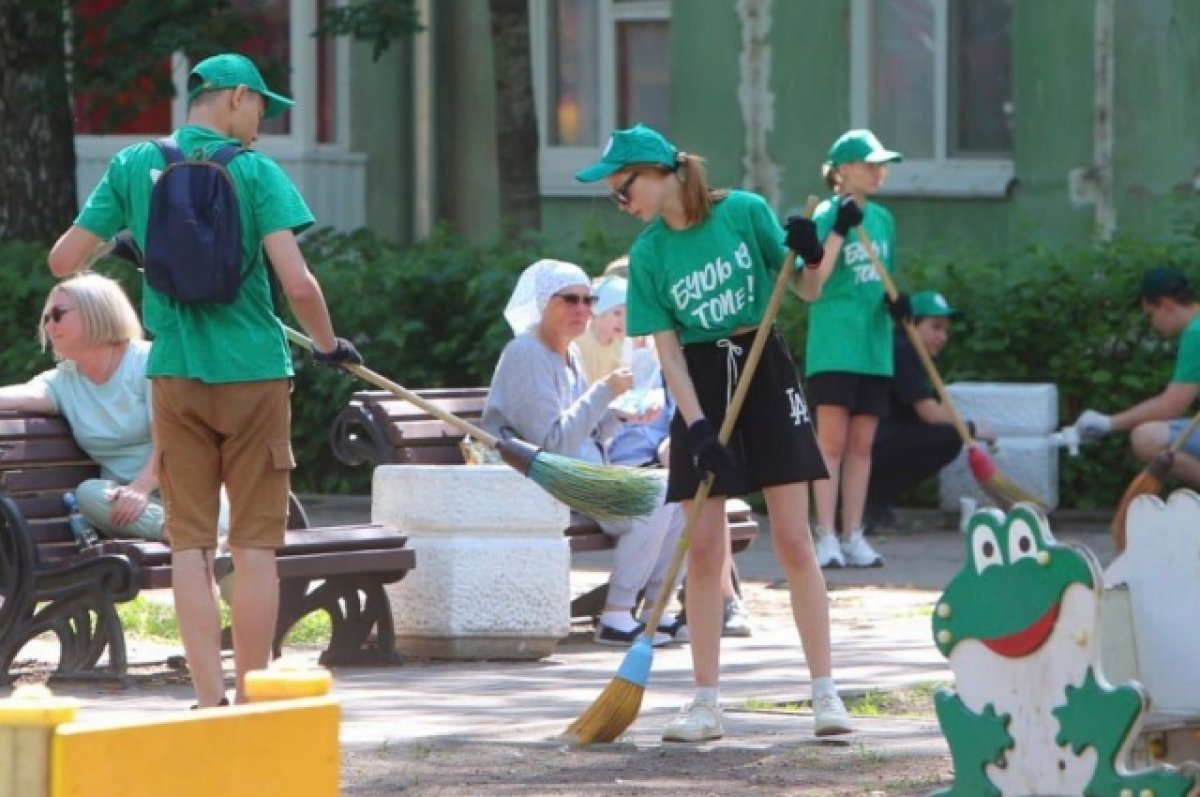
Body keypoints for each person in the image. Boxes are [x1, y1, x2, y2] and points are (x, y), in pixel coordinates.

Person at [48, 53, 362, 708]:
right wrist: (331, 346)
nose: (263, 126)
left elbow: (64, 258)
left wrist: (130, 244)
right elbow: (298, 283)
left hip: (174, 376)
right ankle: (251, 697)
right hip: (254, 375)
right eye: (262, 110)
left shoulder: (135, 166)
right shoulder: (254, 172)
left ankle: (207, 697)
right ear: (237, 98)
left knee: (189, 544)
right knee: (253, 546)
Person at [576, 123, 852, 741]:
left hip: (763, 366)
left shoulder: (743, 213)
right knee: (704, 549)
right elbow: (669, 354)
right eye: (616, 197)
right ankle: (705, 701)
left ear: (660, 173)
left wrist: (811, 251)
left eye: (624, 190)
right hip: (701, 383)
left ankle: (824, 692)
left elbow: (806, 289)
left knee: (793, 538)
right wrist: (697, 426)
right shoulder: (649, 254)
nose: (623, 205)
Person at [482, 258, 685, 646]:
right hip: (542, 478)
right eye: (569, 300)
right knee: (658, 495)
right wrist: (603, 392)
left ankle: (657, 611)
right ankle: (616, 615)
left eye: (588, 300)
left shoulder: (569, 353)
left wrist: (622, 416)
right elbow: (552, 442)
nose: (582, 310)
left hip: (577, 472)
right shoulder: (526, 353)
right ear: (544, 303)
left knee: (680, 490)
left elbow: (585, 431)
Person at [806, 129, 907, 569]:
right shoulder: (826, 214)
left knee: (862, 445)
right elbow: (815, 278)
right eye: (870, 164)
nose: (878, 172)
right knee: (830, 442)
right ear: (843, 171)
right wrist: (838, 231)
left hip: (874, 345)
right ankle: (824, 533)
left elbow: (883, 276)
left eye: (881, 165)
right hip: (835, 344)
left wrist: (899, 304)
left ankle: (854, 534)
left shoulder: (884, 219)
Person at [0, 274, 163, 540]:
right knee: (89, 494)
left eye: (58, 314)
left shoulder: (148, 362)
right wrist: (132, 494)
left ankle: (197, 535)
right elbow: (13, 396)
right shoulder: (63, 381)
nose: (49, 325)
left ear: (95, 310)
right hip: (124, 507)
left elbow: (175, 439)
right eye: (46, 318)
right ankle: (195, 537)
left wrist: (141, 486)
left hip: (185, 492)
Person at [864, 291, 996, 529]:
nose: (943, 337)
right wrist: (974, 428)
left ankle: (874, 502)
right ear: (912, 324)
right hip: (871, 446)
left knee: (937, 435)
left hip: (874, 443)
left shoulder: (905, 349)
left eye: (945, 330)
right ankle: (870, 502)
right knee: (947, 439)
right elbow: (930, 413)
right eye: (935, 327)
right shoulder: (901, 350)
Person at [1073, 267, 1200, 482]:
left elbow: (1171, 406)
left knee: (1147, 439)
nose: (1152, 324)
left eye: (1150, 315)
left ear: (1166, 305)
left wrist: (1109, 422)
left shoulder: (1196, 333)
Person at [575, 275, 630, 385]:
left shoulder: (617, 344)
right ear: (599, 310)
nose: (623, 321)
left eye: (629, 316)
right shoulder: (580, 338)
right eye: (617, 313)